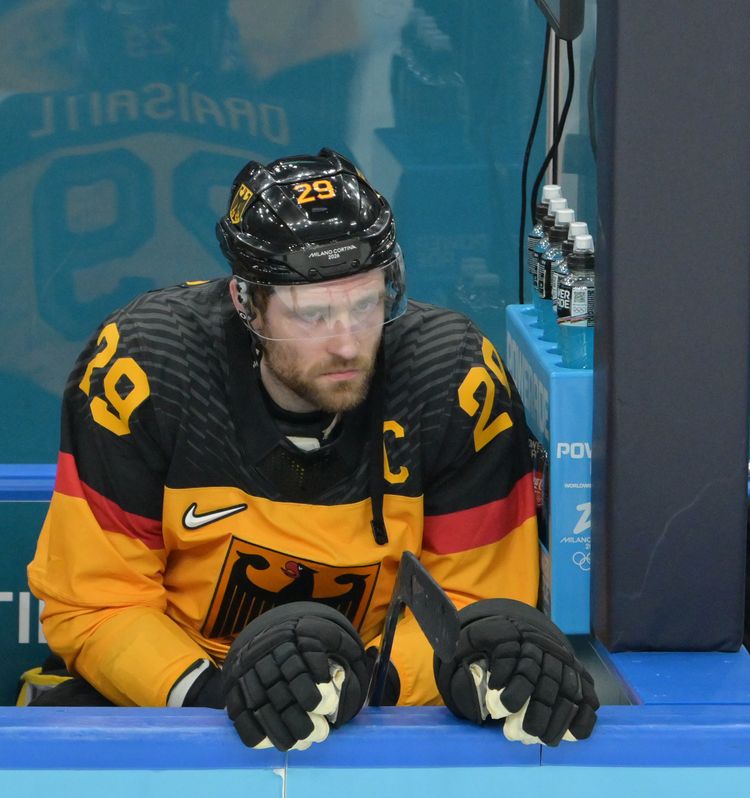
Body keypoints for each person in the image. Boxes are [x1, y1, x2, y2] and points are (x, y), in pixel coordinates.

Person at [20, 147, 598, 748]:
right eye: (313, 315)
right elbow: (93, 605)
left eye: (366, 304)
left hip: (370, 701)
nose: (347, 344)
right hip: (182, 692)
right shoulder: (147, 367)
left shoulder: (451, 378)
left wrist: (361, 690)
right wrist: (219, 698)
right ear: (247, 301)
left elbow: (474, 606)